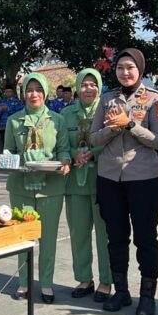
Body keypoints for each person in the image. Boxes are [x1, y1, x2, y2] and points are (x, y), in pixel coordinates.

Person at [90, 47, 158, 315]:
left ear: (140, 70)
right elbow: (93, 138)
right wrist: (112, 128)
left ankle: (147, 297)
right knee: (116, 237)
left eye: (130, 67)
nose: (125, 72)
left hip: (144, 178)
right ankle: (121, 291)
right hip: (110, 177)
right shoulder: (106, 99)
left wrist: (130, 124)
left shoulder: (155, 99)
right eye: (120, 67)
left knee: (146, 238)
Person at [0, 73, 71, 303]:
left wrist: (65, 162)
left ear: (45, 93)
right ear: (23, 93)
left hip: (51, 187)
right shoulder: (14, 120)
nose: (33, 94)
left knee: (48, 237)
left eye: (38, 89)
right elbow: (8, 150)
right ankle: (24, 283)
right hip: (21, 186)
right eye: (29, 89)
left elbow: (63, 150)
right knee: (23, 237)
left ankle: (46, 284)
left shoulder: (57, 120)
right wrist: (2, 161)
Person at [61, 69, 112, 302]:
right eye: (84, 84)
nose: (88, 89)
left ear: (99, 87)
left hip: (103, 181)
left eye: (93, 84)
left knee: (105, 235)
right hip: (75, 183)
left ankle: (106, 281)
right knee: (79, 233)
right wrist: (73, 154)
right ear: (77, 88)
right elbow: (61, 144)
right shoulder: (66, 114)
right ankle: (84, 279)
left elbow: (113, 141)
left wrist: (93, 153)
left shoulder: (108, 111)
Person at [0, 85, 24, 151]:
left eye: (9, 91)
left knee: (15, 144)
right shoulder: (1, 102)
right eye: (6, 92)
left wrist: (8, 109)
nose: (8, 93)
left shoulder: (18, 102)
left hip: (14, 126)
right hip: (3, 126)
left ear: (13, 92)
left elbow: (20, 113)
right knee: (5, 145)